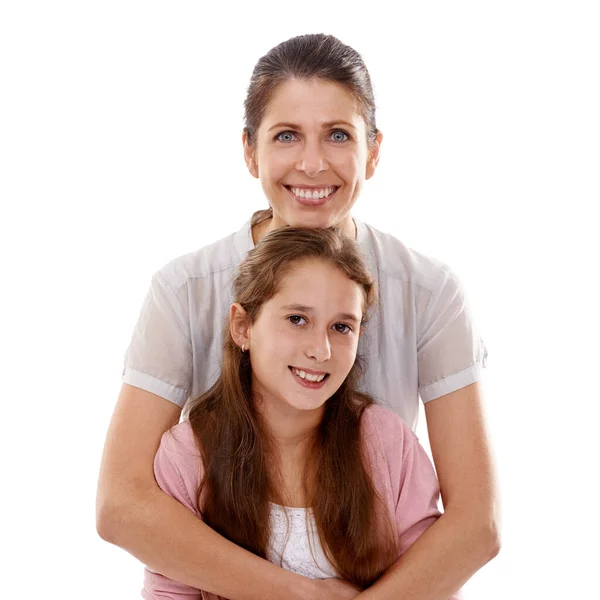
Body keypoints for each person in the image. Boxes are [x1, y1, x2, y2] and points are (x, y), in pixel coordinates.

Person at [97, 33, 499, 600]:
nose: (312, 163)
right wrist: (294, 595)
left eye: (338, 135)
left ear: (374, 150)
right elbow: (122, 505)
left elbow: (474, 525)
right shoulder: (183, 290)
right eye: (286, 136)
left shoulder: (430, 293)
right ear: (250, 151)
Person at [142, 227, 461, 600]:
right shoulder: (187, 455)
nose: (321, 350)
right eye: (297, 319)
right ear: (243, 327)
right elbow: (170, 590)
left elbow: (430, 583)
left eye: (341, 327)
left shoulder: (388, 442)